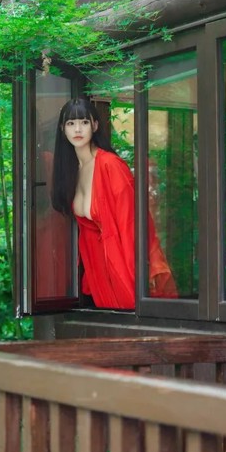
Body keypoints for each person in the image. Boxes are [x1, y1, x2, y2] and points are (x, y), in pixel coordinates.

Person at [51, 97, 177, 309]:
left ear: (95, 125)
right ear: (62, 129)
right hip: (98, 266)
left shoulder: (111, 165)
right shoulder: (71, 171)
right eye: (71, 123)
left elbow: (133, 223)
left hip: (122, 260)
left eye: (84, 122)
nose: (78, 129)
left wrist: (141, 273)